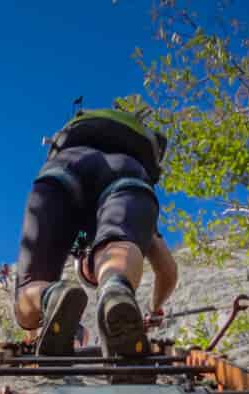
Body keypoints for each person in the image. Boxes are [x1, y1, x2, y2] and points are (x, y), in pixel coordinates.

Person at [13, 106, 178, 357]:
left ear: (83, 262)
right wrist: (154, 310)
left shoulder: (78, 242)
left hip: (66, 163)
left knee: (29, 290)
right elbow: (167, 270)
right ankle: (114, 289)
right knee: (119, 241)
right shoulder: (112, 233)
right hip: (128, 169)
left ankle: (50, 296)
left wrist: (31, 332)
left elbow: (167, 272)